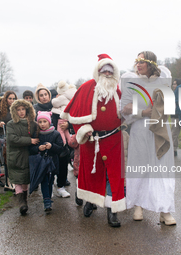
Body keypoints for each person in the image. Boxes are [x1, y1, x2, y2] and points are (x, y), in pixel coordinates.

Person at [61, 54, 125, 227]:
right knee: (91, 172)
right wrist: (83, 130)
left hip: (113, 139)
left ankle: (113, 212)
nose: (107, 74)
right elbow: (74, 116)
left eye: (110, 71)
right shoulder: (87, 87)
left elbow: (125, 114)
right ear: (98, 71)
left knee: (114, 175)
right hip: (92, 140)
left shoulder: (118, 90)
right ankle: (90, 200)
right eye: (104, 70)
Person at [121, 50, 176, 225]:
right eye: (136, 61)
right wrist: (143, 112)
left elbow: (169, 103)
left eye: (142, 61)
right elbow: (125, 107)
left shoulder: (162, 79)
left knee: (162, 169)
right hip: (139, 130)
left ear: (151, 64)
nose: (138, 64)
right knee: (140, 167)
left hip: (159, 129)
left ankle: (165, 210)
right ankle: (138, 205)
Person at [6, 99, 39, 215]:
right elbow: (12, 139)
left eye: (23, 109)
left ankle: (24, 200)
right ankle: (21, 203)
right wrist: (29, 140)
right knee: (17, 180)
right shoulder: (11, 124)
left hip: (28, 155)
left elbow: (38, 136)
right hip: (15, 156)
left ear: (27, 110)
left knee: (25, 179)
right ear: (14, 111)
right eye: (18, 110)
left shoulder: (33, 124)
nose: (21, 112)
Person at [29, 111, 63, 213]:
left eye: (45, 121)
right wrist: (38, 148)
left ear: (49, 122)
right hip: (41, 162)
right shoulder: (36, 134)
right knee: (44, 180)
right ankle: (47, 201)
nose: (42, 124)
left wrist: (52, 146)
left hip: (53, 162)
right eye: (40, 122)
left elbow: (61, 148)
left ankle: (48, 196)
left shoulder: (56, 133)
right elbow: (31, 149)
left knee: (50, 180)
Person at [51, 80, 77, 145]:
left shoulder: (63, 97)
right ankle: (70, 142)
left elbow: (54, 103)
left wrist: (55, 98)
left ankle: (63, 144)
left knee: (60, 131)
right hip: (68, 117)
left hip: (62, 116)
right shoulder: (71, 97)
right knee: (66, 131)